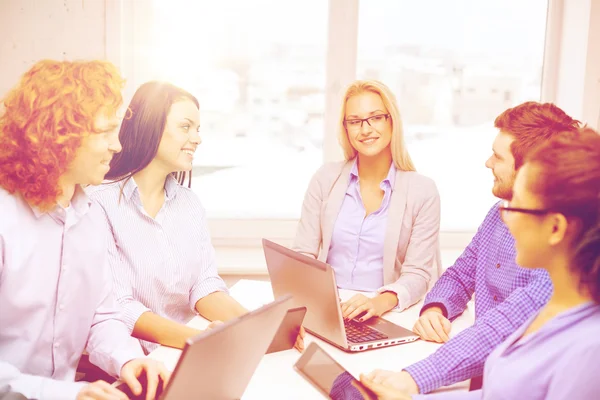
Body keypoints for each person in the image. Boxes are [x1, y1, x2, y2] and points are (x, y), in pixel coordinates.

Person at [360, 129, 600, 399]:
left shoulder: (589, 350)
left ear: (555, 228)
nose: (506, 219)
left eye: (516, 207)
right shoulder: (563, 307)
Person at [90, 81, 304, 354]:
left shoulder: (189, 204)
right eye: (185, 127)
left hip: (186, 350)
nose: (197, 138)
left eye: (198, 129)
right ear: (150, 126)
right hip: (133, 364)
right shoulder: (99, 203)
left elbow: (203, 286)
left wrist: (258, 324)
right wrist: (197, 339)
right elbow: (119, 305)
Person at [0, 60, 169, 400]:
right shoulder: (5, 221)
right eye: (105, 131)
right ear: (58, 135)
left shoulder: (90, 217)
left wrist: (129, 359)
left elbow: (101, 317)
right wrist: (66, 395)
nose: (117, 146)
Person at [293, 80, 441, 320]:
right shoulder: (325, 178)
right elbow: (303, 254)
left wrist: (377, 303)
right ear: (346, 128)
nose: (366, 129)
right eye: (355, 121)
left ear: (392, 121)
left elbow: (418, 274)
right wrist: (319, 301)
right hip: (327, 307)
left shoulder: (422, 191)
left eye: (376, 117)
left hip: (386, 311)